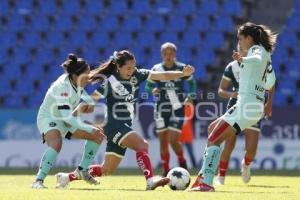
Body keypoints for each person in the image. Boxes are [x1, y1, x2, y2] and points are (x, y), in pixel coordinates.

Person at [55, 50, 195, 190]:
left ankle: (67, 177)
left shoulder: (137, 75)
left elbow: (162, 75)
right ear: (118, 67)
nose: (131, 70)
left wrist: (182, 73)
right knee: (142, 145)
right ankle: (150, 180)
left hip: (124, 125)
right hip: (114, 125)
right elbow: (90, 100)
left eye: (133, 67)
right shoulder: (110, 82)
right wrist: (71, 116)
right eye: (128, 68)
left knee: (107, 169)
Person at [189, 22, 277, 192]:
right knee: (212, 129)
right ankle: (202, 177)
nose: (239, 41)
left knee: (215, 138)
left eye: (240, 38)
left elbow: (256, 58)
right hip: (253, 106)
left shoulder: (256, 50)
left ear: (249, 38)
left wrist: (243, 59)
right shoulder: (267, 56)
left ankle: (206, 183)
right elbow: (271, 82)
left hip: (246, 105)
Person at [32, 54, 105, 189]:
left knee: (98, 135)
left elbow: (80, 93)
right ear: (76, 75)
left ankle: (82, 170)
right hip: (49, 117)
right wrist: (89, 127)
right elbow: (67, 118)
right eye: (86, 74)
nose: (89, 77)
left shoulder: (75, 81)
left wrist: (88, 102)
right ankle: (38, 181)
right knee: (56, 143)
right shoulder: (62, 87)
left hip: (65, 118)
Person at [214, 46, 275, 185]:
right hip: (236, 103)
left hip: (252, 104)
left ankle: (246, 165)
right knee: (229, 144)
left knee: (252, 149)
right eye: (240, 48)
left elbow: (271, 84)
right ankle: (221, 177)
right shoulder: (231, 67)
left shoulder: (257, 63)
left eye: (245, 49)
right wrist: (231, 94)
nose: (242, 50)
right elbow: (220, 90)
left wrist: (269, 103)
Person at [145, 42, 197, 176]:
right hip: (161, 109)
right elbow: (147, 87)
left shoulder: (181, 68)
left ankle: (182, 161)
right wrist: (152, 90)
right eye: (165, 53)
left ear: (175, 54)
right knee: (163, 140)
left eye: (171, 53)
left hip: (177, 108)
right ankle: (166, 169)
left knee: (173, 140)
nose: (168, 56)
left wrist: (190, 96)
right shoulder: (156, 69)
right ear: (161, 54)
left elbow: (192, 84)